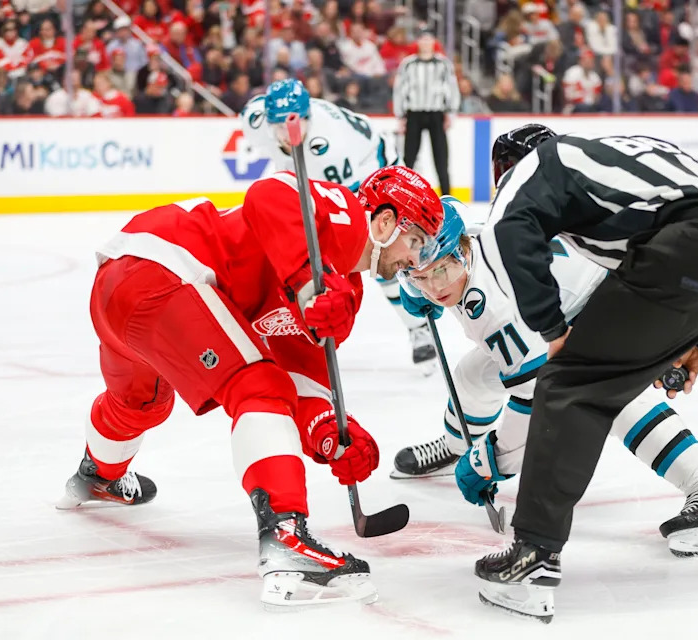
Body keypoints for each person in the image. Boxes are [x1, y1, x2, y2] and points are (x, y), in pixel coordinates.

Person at [55, 165, 444, 610]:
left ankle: (99, 475)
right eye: (415, 242)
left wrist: (330, 431)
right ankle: (287, 539)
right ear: (386, 221)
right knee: (259, 385)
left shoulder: (343, 296)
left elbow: (302, 375)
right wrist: (305, 283)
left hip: (120, 292)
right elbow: (269, 193)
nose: (415, 261)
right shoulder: (340, 215)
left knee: (140, 403)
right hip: (163, 269)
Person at [473, 124, 698, 621]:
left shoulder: (534, 165)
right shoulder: (621, 155)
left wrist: (553, 331)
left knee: (572, 386)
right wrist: (697, 333)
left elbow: (510, 229)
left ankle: (533, 557)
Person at [393, 196, 698, 558]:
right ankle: (457, 446)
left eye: (442, 272)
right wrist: (413, 283)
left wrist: (492, 461)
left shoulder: (494, 307)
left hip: (629, 304)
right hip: (601, 300)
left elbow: (536, 402)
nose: (435, 288)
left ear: (463, 252)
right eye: (421, 277)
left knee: (608, 395)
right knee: (474, 374)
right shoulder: (476, 243)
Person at [240, 79, 437, 373]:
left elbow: (339, 206)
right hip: (314, 172)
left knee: (377, 255)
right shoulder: (254, 119)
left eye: (290, 125)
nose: (284, 134)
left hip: (370, 170)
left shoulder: (327, 148)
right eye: (277, 127)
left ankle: (418, 327)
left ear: (306, 119)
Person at [393, 28, 459, 195]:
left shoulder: (443, 64)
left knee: (441, 160)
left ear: (434, 42)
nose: (425, 43)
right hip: (414, 113)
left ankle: (446, 197)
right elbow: (399, 89)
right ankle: (403, 194)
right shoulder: (408, 64)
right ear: (418, 42)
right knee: (409, 158)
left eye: (429, 39)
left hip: (436, 113)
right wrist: (400, 114)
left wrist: (451, 112)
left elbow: (452, 87)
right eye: (422, 39)